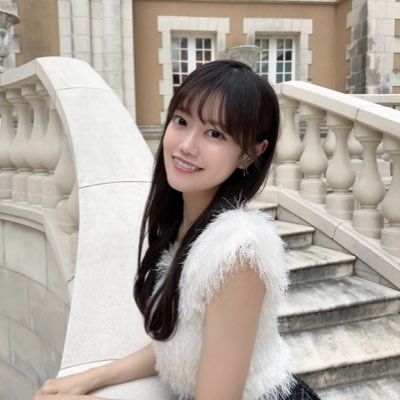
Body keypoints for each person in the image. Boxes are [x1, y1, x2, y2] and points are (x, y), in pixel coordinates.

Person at [34, 60, 320, 400]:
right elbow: (176, 345)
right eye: (182, 121)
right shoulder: (185, 227)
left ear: (249, 155)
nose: (186, 145)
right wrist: (91, 377)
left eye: (215, 134)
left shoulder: (238, 253)